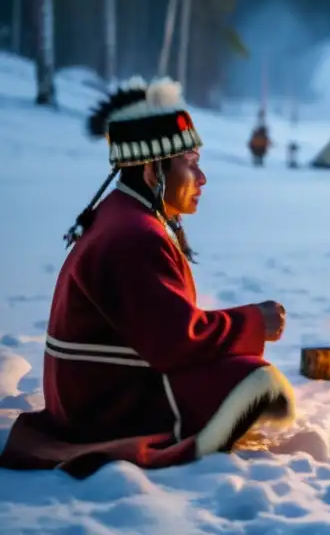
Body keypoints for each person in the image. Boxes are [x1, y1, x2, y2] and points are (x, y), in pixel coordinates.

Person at [0, 77, 296, 478]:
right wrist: (253, 321)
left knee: (239, 368)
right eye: (190, 163)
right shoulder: (133, 235)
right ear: (151, 168)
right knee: (255, 379)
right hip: (106, 408)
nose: (202, 177)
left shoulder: (125, 216)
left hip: (95, 393)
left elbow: (166, 331)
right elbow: (177, 342)